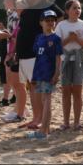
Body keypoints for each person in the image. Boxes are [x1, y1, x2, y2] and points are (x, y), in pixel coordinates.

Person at [15, 0, 64, 130]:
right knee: (31, 86)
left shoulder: (46, 5)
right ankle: (36, 117)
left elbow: (61, 16)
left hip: (36, 54)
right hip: (24, 54)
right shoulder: (28, 9)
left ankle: (39, 119)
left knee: (36, 86)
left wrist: (49, 34)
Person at [55, 0, 83, 130]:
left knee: (77, 92)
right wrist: (69, 39)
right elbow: (56, 46)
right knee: (66, 92)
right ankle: (66, 123)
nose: (77, 10)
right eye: (74, 8)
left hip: (79, 61)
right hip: (65, 61)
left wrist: (76, 39)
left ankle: (77, 122)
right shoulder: (61, 25)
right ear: (67, 11)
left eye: (79, 8)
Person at [26, 10, 62, 140]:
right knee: (43, 99)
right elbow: (38, 55)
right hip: (39, 73)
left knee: (47, 99)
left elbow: (58, 58)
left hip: (49, 73)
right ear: (41, 22)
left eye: (53, 20)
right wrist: (34, 76)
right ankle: (45, 129)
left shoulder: (56, 38)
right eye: (47, 20)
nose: (50, 23)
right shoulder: (39, 38)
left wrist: (56, 74)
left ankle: (43, 131)